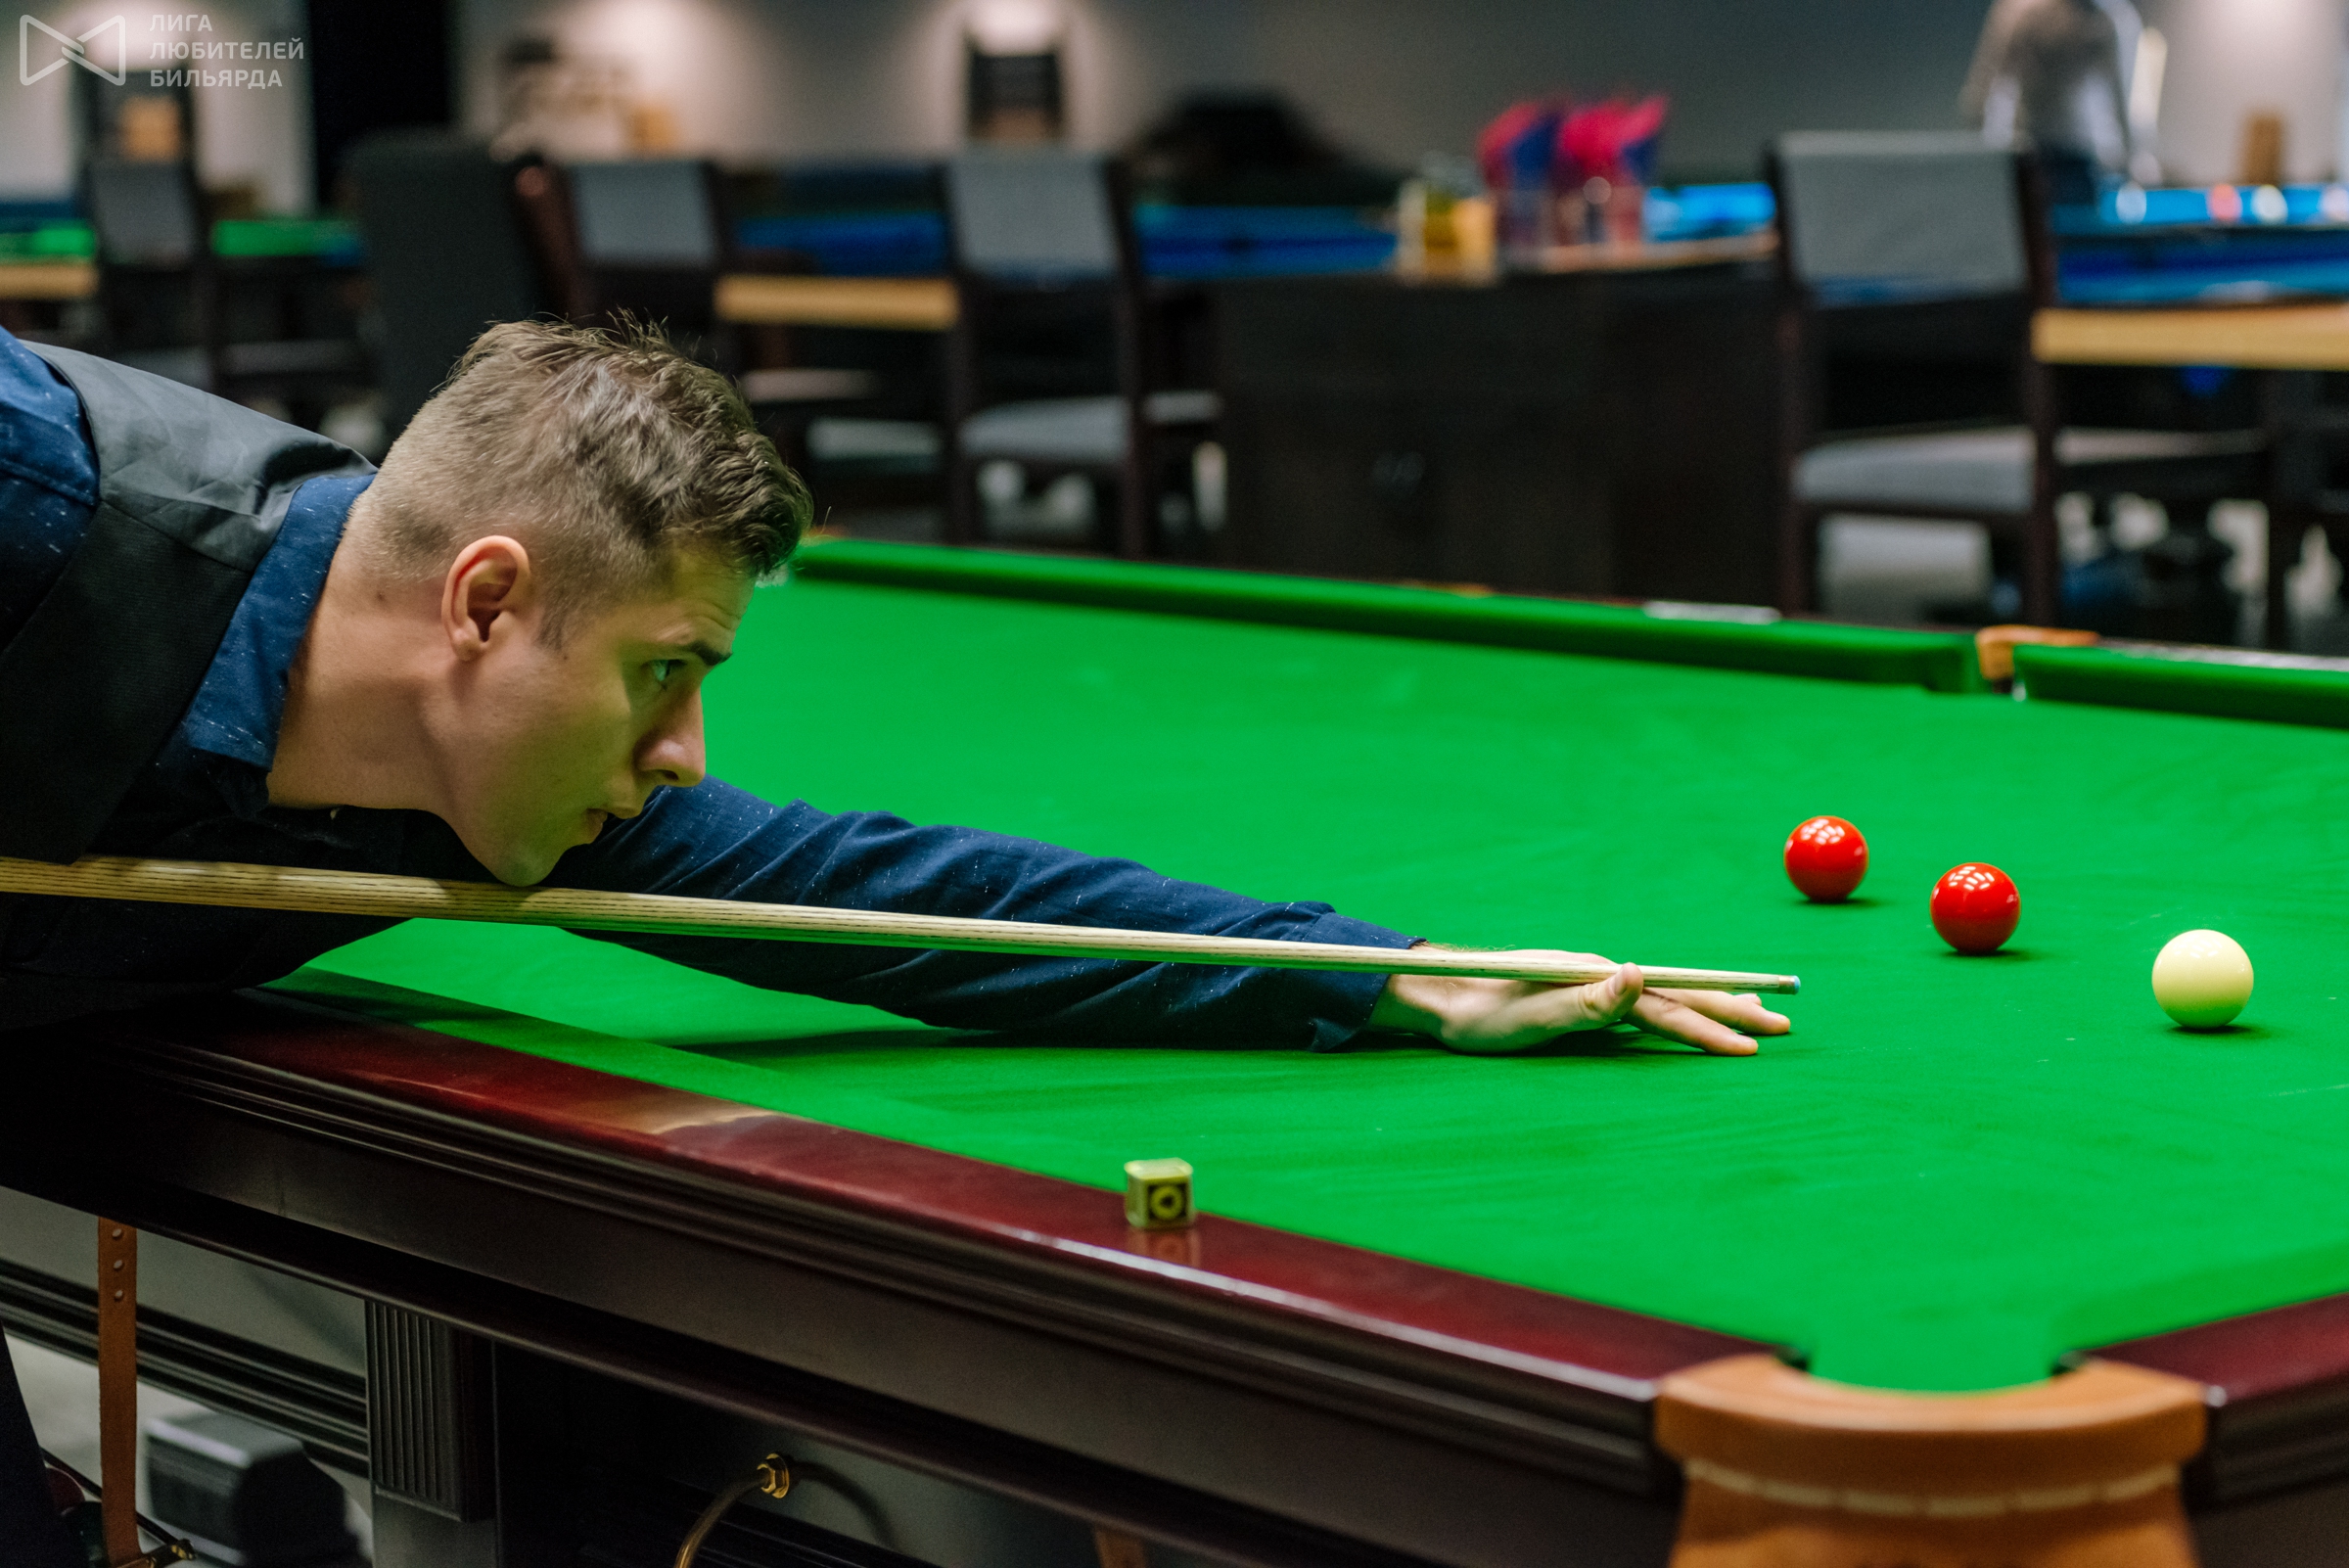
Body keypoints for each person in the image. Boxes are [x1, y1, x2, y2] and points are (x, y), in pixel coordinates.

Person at [0, 318, 1787, 1560]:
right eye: (662, 670)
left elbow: (879, 896)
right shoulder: (43, 505)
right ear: (485, 604)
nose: (682, 750)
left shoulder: (491, 784)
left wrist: (1379, 971)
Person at [1962, 0, 2150, 204]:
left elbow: (2124, 96)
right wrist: (1987, 156)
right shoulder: (2021, 10)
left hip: (2081, 154)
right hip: (2031, 152)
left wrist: (2133, 161)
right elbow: (1988, 85)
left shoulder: (2111, 16)